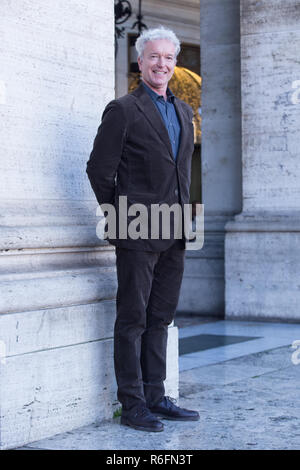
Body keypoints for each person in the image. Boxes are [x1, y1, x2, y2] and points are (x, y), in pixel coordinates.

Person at [86, 26, 199, 432]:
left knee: (161, 316)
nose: (162, 64)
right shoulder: (123, 110)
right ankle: (132, 403)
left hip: (174, 229)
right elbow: (99, 171)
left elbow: (179, 170)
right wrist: (121, 219)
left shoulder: (184, 111)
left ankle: (156, 394)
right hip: (136, 229)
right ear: (140, 61)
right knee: (132, 317)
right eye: (155, 56)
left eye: (169, 57)